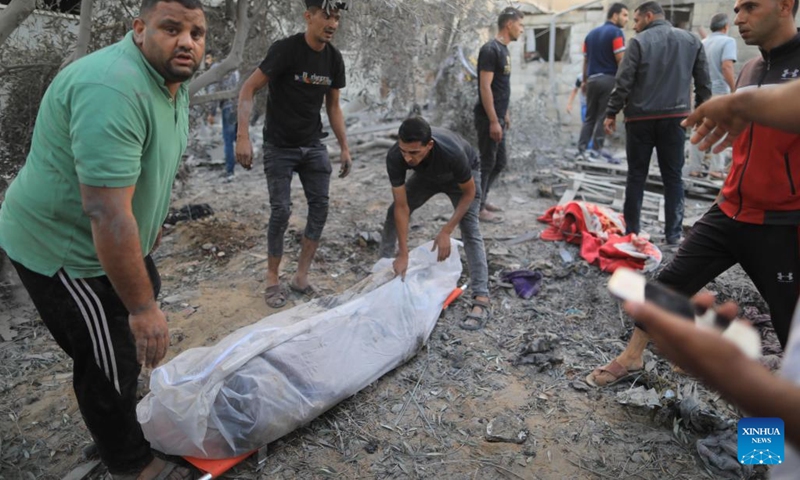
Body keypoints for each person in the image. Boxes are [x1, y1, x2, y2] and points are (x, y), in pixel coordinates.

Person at [0, 1, 206, 478]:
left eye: (196, 33)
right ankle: (132, 464)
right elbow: (105, 212)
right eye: (171, 28)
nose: (186, 42)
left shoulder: (172, 81)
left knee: (123, 343)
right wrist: (140, 308)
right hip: (64, 249)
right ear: (139, 29)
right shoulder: (112, 88)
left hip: (106, 239)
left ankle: (120, 429)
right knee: (108, 354)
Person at [588, 0, 800, 388]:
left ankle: (773, 438)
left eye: (749, 7)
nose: (738, 18)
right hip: (729, 209)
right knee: (667, 285)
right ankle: (632, 356)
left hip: (782, 222)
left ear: (785, 5)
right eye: (736, 8)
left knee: (791, 327)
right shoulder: (752, 68)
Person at [235, 0, 352, 309]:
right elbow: (248, 89)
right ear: (308, 16)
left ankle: (301, 276)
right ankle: (273, 279)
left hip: (313, 144)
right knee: (282, 210)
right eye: (326, 16)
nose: (332, 23)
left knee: (321, 207)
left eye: (336, 18)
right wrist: (242, 136)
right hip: (279, 146)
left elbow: (333, 106)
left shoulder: (334, 59)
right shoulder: (286, 50)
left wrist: (344, 146)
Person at [604, 1, 711, 245]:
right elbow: (703, 81)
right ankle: (673, 235)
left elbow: (624, 81)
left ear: (649, 16)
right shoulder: (691, 40)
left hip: (640, 119)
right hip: (676, 119)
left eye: (637, 20)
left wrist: (611, 112)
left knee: (636, 176)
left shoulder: (639, 43)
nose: (635, 26)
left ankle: (632, 231)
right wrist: (703, 112)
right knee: (673, 176)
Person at [379, 117, 491, 329]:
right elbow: (402, 207)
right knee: (392, 213)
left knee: (469, 228)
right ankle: (383, 268)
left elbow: (469, 193)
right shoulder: (396, 156)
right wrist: (402, 253)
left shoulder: (452, 153)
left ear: (429, 145)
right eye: (404, 151)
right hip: (428, 176)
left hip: (462, 178)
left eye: (414, 153)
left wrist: (446, 231)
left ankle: (481, 297)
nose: (407, 158)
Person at [473, 6, 524, 224]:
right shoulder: (490, 50)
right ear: (509, 24)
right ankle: (477, 207)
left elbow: (502, 87)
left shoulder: (505, 50)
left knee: (500, 161)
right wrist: (494, 120)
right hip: (488, 118)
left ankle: (482, 199)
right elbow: (485, 88)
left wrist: (506, 114)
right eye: (520, 25)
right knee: (487, 161)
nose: (522, 30)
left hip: (499, 116)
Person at [686, 13, 738, 179]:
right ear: (726, 27)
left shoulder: (703, 42)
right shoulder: (728, 41)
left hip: (702, 93)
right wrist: (735, 89)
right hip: (719, 93)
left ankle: (694, 168)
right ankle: (716, 169)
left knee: (699, 129)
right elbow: (727, 67)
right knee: (718, 131)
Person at [578, 2, 629, 160]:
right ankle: (596, 151)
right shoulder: (616, 33)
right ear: (615, 15)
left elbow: (585, 61)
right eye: (625, 15)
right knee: (602, 116)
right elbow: (620, 59)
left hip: (592, 80)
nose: (627, 19)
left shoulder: (591, 34)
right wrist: (624, 82)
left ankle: (582, 150)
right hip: (608, 79)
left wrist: (585, 82)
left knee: (590, 117)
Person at [206, 52, 241, 181]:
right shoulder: (233, 68)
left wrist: (211, 112)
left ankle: (230, 171)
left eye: (208, 57)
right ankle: (248, 163)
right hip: (239, 106)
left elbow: (213, 92)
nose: (206, 61)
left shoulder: (216, 69)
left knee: (228, 140)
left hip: (228, 107)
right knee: (240, 137)